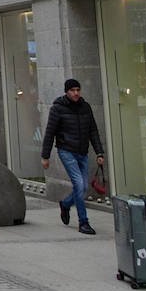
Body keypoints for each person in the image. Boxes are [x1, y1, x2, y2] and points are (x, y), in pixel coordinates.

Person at [41, 78, 105, 235]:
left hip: (83, 151)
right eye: (72, 90)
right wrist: (45, 156)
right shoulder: (58, 108)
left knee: (82, 186)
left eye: (78, 90)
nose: (76, 93)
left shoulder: (85, 107)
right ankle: (83, 222)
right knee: (79, 184)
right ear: (66, 92)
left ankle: (66, 203)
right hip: (66, 150)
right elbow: (50, 132)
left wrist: (99, 152)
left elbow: (93, 131)